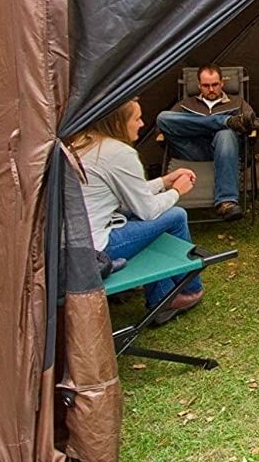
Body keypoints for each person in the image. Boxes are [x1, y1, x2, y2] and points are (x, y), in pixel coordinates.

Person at [71, 100, 205, 323]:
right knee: (175, 216)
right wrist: (177, 192)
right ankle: (186, 290)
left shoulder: (84, 144)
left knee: (151, 226)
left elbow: (127, 195)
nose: (142, 124)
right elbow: (147, 211)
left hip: (70, 247)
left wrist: (164, 182)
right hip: (95, 252)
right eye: (136, 119)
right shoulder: (117, 152)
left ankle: (161, 294)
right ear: (119, 123)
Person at [155, 65, 259, 219]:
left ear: (222, 83)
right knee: (163, 117)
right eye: (206, 85)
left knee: (225, 134)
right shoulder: (185, 105)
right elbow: (161, 127)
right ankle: (225, 121)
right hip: (193, 150)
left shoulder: (237, 103)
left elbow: (256, 123)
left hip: (226, 151)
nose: (211, 89)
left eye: (215, 85)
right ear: (199, 86)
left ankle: (227, 202)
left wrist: (234, 128)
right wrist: (209, 124)